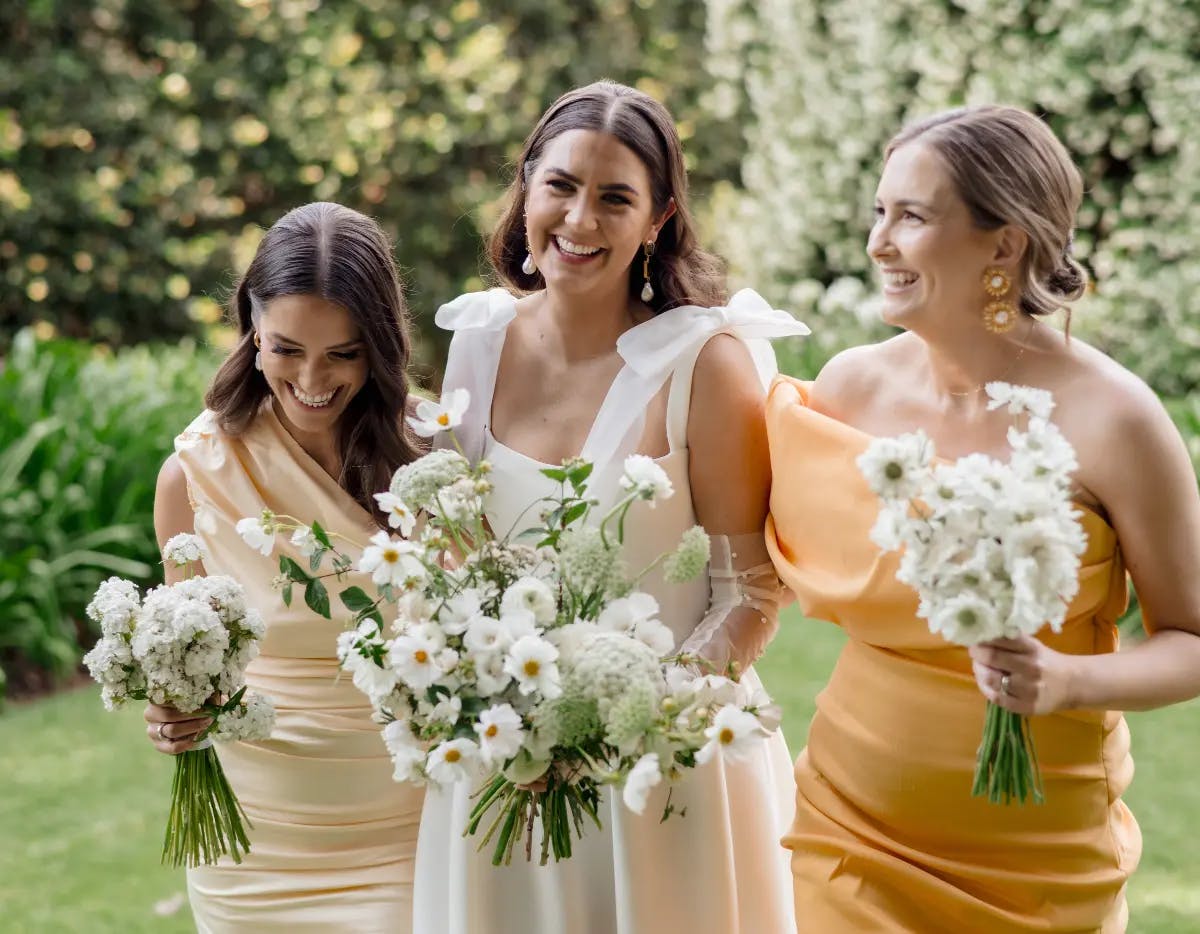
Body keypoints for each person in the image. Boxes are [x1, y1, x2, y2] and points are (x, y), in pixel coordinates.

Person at [766, 105, 1200, 931]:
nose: (878, 243)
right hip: (847, 829)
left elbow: (1192, 639)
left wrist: (1070, 681)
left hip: (1041, 866)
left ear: (1003, 244)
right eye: (879, 212)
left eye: (913, 217)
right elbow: (751, 563)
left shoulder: (1118, 421)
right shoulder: (850, 390)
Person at [413, 81, 806, 934]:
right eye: (560, 186)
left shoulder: (706, 363)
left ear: (658, 218)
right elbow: (458, 563)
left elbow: (751, 591)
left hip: (668, 770)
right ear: (526, 189)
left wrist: (630, 722)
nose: (579, 221)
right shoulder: (475, 345)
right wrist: (501, 710)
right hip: (504, 761)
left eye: (615, 197)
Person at [146, 202, 427, 932]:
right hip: (254, 849)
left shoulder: (433, 460)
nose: (312, 378)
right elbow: (189, 663)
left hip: (405, 830)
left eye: (344, 353)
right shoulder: (194, 475)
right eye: (286, 348)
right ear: (251, 326)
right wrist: (172, 710)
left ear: (381, 346)